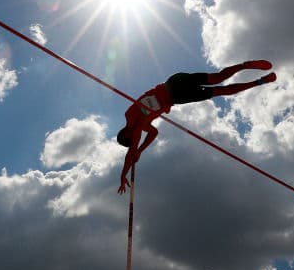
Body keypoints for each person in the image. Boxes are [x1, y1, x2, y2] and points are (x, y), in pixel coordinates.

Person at [116, 60, 275, 193]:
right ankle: (246, 67)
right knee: (217, 78)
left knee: (219, 91)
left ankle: (259, 81)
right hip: (173, 81)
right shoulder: (139, 122)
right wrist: (141, 150)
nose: (135, 140)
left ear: (126, 135)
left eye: (132, 141)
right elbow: (153, 133)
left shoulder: (133, 123)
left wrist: (124, 174)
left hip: (176, 94)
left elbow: (131, 151)